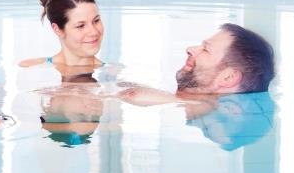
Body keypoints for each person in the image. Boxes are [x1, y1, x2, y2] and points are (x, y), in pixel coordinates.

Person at [115, 23, 276, 150]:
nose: (190, 49)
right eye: (206, 128)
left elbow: (133, 97)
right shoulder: (175, 101)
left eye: (205, 49)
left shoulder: (173, 107)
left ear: (228, 77)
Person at [19, 0, 104, 73]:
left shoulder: (110, 74)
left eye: (96, 20)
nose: (94, 32)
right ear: (57, 30)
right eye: (80, 26)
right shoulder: (30, 68)